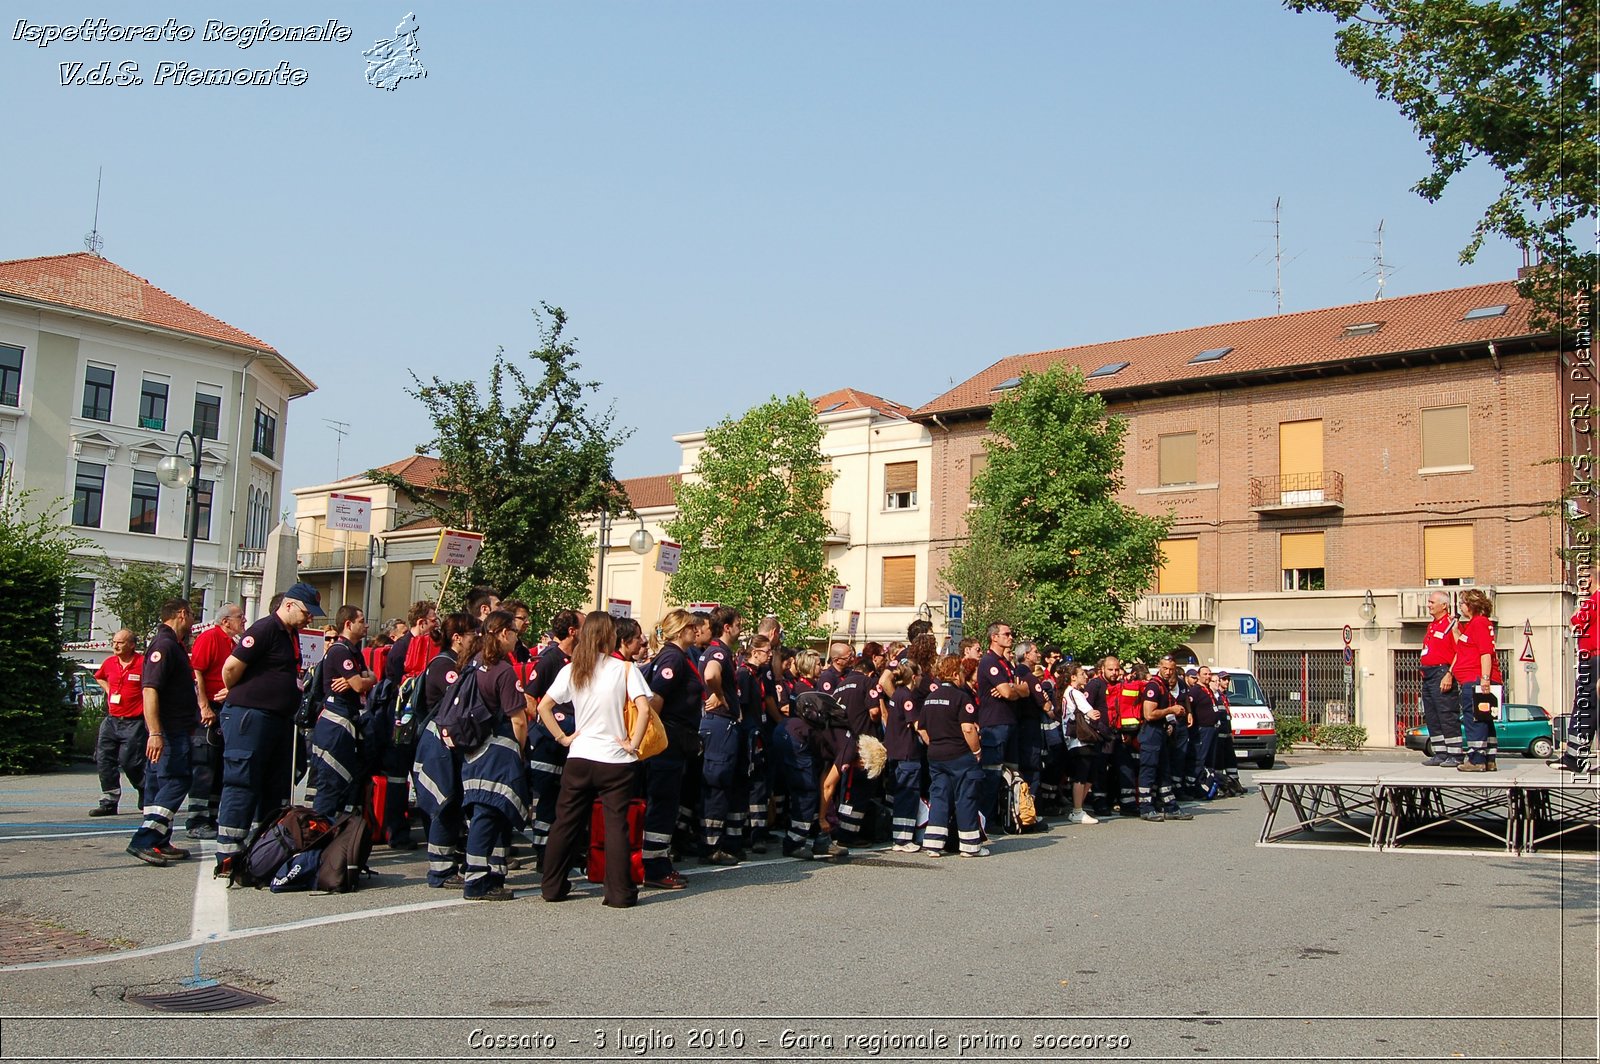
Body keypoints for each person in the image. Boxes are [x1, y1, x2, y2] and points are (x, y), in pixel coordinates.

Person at [536, 611, 657, 908]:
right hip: (615, 758)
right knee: (616, 824)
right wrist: (633, 744)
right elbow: (643, 709)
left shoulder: (573, 669)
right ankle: (618, 893)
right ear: (610, 636)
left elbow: (544, 707)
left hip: (580, 755)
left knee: (565, 822)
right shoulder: (624, 669)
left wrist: (563, 738)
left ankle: (552, 886)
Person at [214, 582, 324, 876]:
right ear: (288, 605)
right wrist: (243, 693)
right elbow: (230, 668)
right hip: (252, 717)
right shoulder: (264, 629)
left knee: (274, 787)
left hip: (277, 720)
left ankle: (261, 849)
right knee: (242, 782)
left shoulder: (291, 634)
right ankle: (228, 853)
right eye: (306, 612)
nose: (310, 618)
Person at [456, 610, 531, 900]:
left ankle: (493, 874)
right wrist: (520, 749)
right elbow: (519, 720)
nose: (516, 635)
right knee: (488, 812)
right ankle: (475, 882)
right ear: (502, 633)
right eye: (513, 630)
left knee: (489, 812)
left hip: (474, 749)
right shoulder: (502, 670)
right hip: (497, 750)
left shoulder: (473, 663)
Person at [127, 599, 199, 866]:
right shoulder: (164, 646)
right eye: (192, 614)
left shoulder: (173, 645)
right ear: (181, 614)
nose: (193, 619)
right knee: (176, 780)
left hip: (171, 729)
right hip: (170, 730)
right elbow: (150, 689)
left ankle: (160, 840)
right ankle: (145, 839)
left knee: (158, 786)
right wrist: (155, 732)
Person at [411, 612, 475, 887]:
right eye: (474, 635)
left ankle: (449, 862)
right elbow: (460, 704)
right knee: (443, 802)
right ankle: (440, 871)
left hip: (450, 742)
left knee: (452, 804)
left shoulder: (458, 662)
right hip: (437, 742)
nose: (478, 640)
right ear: (458, 638)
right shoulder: (443, 665)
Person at [641, 609, 703, 888]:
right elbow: (655, 700)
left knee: (668, 801)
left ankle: (660, 859)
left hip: (677, 741)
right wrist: (652, 736)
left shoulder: (681, 656)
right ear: (680, 631)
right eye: (691, 626)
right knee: (663, 802)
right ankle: (654, 866)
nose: (696, 630)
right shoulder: (672, 657)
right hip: (668, 741)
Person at [526, 609, 582, 864]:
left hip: (571, 740)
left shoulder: (580, 659)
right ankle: (543, 853)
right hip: (550, 742)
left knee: (565, 797)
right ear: (572, 631)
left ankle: (564, 850)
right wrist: (549, 724)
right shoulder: (550, 658)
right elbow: (530, 698)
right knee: (548, 797)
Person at [916, 655, 985, 857]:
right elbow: (968, 729)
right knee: (966, 797)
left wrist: (936, 743)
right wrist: (977, 751)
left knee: (939, 797)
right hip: (960, 755)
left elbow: (922, 729)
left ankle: (934, 844)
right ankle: (970, 845)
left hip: (936, 756)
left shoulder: (930, 698)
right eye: (962, 672)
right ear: (956, 674)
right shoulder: (961, 697)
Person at [309, 606, 376, 817]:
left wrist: (366, 680)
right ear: (348, 624)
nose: (366, 625)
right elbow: (359, 685)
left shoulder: (354, 651)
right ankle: (315, 839)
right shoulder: (340, 651)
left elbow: (370, 678)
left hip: (348, 724)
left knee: (342, 784)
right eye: (361, 621)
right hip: (335, 725)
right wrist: (360, 681)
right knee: (330, 784)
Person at [186, 603, 244, 838]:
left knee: (219, 765)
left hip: (225, 709)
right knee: (204, 763)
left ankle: (211, 814)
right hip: (209, 709)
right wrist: (203, 706)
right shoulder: (210, 638)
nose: (244, 620)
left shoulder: (234, 643)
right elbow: (197, 672)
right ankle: (196, 819)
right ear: (225, 621)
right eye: (240, 617)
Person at [698, 606, 746, 864]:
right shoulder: (718, 650)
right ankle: (710, 846)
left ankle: (720, 841)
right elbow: (710, 674)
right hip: (720, 725)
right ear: (727, 627)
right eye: (738, 623)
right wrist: (718, 694)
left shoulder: (724, 651)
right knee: (716, 782)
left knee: (724, 782)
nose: (741, 627)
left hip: (724, 726)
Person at [974, 622, 1025, 833]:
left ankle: (1008, 816)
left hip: (1010, 721)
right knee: (992, 774)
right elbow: (1006, 693)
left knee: (1012, 772)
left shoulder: (1007, 663)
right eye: (1007, 634)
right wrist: (1013, 689)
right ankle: (986, 820)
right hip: (994, 724)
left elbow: (1024, 689)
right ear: (994, 637)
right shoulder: (989, 662)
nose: (1011, 637)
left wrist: (1015, 688)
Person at [90, 629, 146, 817]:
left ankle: (145, 790)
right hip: (112, 719)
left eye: (120, 642)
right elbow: (98, 676)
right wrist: (109, 690)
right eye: (114, 642)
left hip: (134, 722)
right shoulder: (109, 663)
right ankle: (109, 801)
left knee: (131, 762)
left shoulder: (142, 663)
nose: (115, 645)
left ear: (131, 644)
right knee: (104, 759)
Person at [1137, 656, 1193, 822]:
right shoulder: (1153, 686)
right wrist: (1171, 710)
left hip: (1161, 733)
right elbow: (1149, 714)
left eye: (1171, 669)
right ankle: (1146, 808)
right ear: (1159, 667)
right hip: (1151, 734)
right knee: (1149, 770)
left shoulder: (1165, 686)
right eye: (1165, 668)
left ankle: (1170, 807)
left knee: (1165, 771)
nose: (1168, 672)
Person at [1452, 588, 1502, 772]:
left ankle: (1476, 758)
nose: (1460, 607)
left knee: (1475, 719)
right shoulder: (1474, 625)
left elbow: (1485, 653)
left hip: (1476, 679)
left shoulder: (1479, 623)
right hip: (1475, 678)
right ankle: (1489, 758)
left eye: (1462, 603)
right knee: (1485, 718)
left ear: (1471, 605)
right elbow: (1465, 649)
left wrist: (1485, 679)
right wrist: (1456, 631)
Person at [883, 658, 925, 852]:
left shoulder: (897, 694)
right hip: (907, 752)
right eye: (921, 676)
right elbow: (916, 724)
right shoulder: (907, 697)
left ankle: (899, 836)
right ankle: (903, 839)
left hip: (895, 751)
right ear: (914, 677)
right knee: (908, 794)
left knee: (900, 793)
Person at [1419, 590, 1463, 767]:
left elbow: (1460, 651)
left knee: (1446, 714)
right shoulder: (1432, 625)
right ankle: (1440, 753)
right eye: (1429, 602)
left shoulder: (1452, 624)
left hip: (1441, 672)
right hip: (1427, 674)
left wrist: (1449, 674)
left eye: (1432, 602)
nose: (1429, 605)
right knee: (1432, 715)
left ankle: (1455, 755)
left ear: (1444, 605)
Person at [1557, 588, 1597, 771]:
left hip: (1593, 660)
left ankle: (1574, 758)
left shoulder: (1596, 599)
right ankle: (1575, 757)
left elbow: (1577, 623)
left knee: (1584, 708)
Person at [1060, 664, 1102, 824]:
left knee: (1090, 774)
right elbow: (1091, 713)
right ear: (1073, 677)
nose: (1085, 676)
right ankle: (1077, 810)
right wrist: (1095, 714)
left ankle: (1078, 808)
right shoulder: (1075, 693)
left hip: (1075, 738)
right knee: (1082, 774)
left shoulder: (1068, 693)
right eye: (1082, 673)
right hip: (1078, 738)